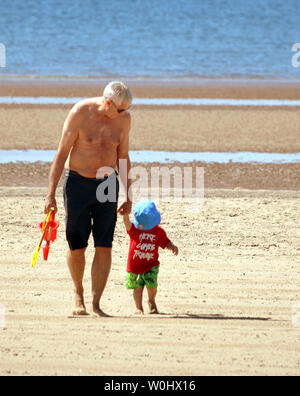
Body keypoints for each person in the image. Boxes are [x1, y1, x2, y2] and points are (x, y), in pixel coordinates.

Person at [44, 81, 133, 317]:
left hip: (107, 183)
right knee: (77, 245)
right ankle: (78, 294)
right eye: (121, 110)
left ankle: (95, 303)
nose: (125, 114)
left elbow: (123, 155)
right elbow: (61, 153)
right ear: (107, 102)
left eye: (127, 110)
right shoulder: (80, 113)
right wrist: (50, 194)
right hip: (78, 183)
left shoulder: (124, 120)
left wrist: (127, 193)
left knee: (104, 244)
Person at [122, 199, 179, 315]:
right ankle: (138, 307)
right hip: (135, 266)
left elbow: (165, 242)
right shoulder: (134, 230)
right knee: (137, 288)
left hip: (151, 265)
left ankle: (151, 301)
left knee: (151, 285)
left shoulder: (158, 231)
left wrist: (171, 246)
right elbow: (127, 223)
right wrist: (125, 213)